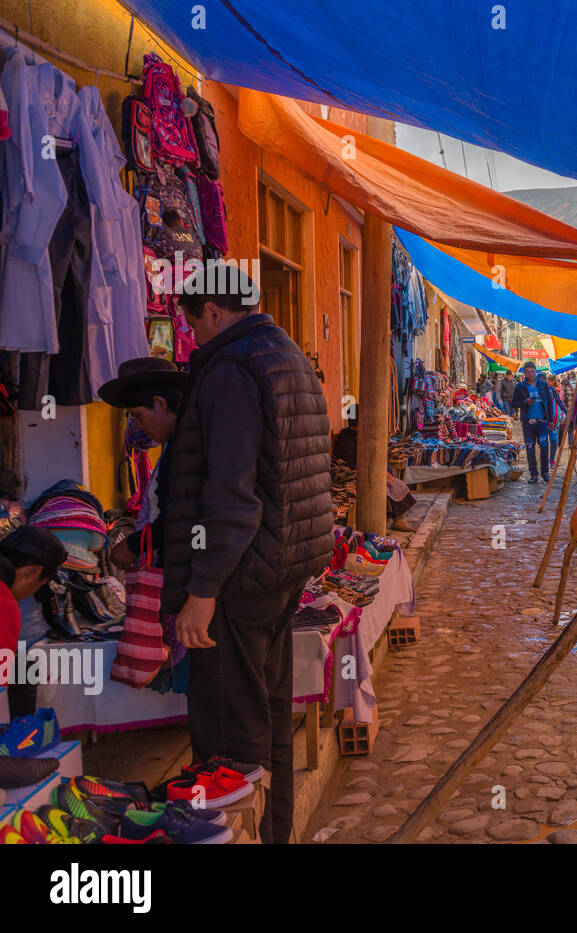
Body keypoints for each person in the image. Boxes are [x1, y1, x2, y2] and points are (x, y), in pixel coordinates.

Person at [167, 263, 334, 844]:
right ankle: (276, 834)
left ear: (214, 312)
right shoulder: (284, 353)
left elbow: (231, 495)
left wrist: (203, 590)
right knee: (269, 715)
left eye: (192, 326)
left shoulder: (233, 368)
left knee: (229, 741)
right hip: (282, 567)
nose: (193, 339)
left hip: (242, 577)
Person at [97, 357, 188, 570]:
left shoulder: (188, 447)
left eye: (138, 416)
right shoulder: (176, 443)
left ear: (161, 404)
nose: (137, 426)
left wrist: (133, 545)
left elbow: (184, 513)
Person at [0, 527, 68, 719]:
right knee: (24, 667)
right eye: (40, 583)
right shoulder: (4, 601)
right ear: (32, 573)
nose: (34, 590)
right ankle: (14, 740)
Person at [332, 417, 417, 531]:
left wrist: (387, 472)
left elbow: (379, 457)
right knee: (382, 488)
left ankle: (398, 520)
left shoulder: (365, 437)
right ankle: (377, 525)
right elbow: (349, 462)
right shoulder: (347, 440)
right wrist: (373, 471)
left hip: (374, 471)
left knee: (398, 484)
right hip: (356, 472)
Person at [511, 361, 559, 483]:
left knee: (544, 447)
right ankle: (533, 474)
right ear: (524, 374)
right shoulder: (520, 387)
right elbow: (514, 403)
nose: (530, 374)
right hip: (528, 423)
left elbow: (549, 403)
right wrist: (525, 402)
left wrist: (551, 419)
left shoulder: (543, 385)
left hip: (542, 421)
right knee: (530, 449)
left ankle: (545, 472)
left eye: (532, 371)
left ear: (535, 372)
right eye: (527, 372)